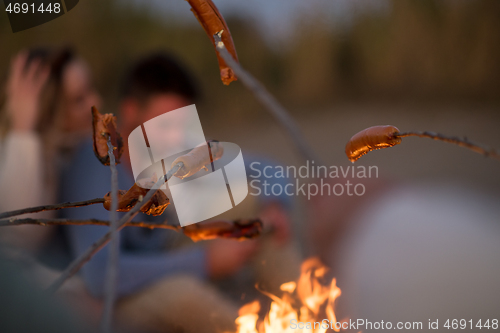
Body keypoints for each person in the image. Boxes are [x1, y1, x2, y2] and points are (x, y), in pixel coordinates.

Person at [59, 52, 299, 333]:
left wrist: (274, 205)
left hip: (170, 251)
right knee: (184, 297)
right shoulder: (96, 164)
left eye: (182, 124)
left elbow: (266, 168)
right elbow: (100, 274)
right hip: (116, 296)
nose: (176, 136)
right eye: (165, 123)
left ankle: (311, 311)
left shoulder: (171, 150)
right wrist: (205, 262)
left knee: (257, 216)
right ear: (130, 110)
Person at [0, 47, 101, 256]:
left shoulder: (67, 158)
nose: (95, 102)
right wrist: (22, 131)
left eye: (91, 89)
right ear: (50, 112)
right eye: (78, 99)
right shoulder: (18, 154)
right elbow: (19, 237)